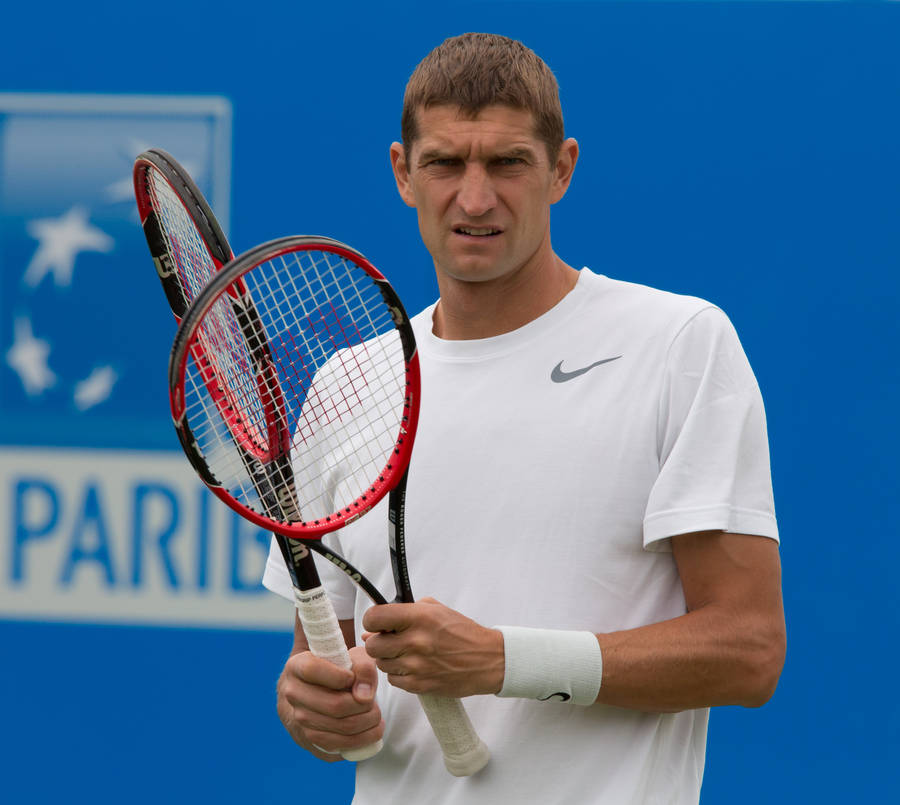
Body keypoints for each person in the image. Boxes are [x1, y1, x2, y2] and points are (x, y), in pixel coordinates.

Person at [264, 32, 785, 804]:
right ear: (403, 173)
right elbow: (328, 677)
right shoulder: (349, 382)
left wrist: (503, 660)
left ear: (561, 169)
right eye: (444, 163)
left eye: (507, 163)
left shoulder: (678, 344)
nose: (475, 199)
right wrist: (314, 709)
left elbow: (748, 649)